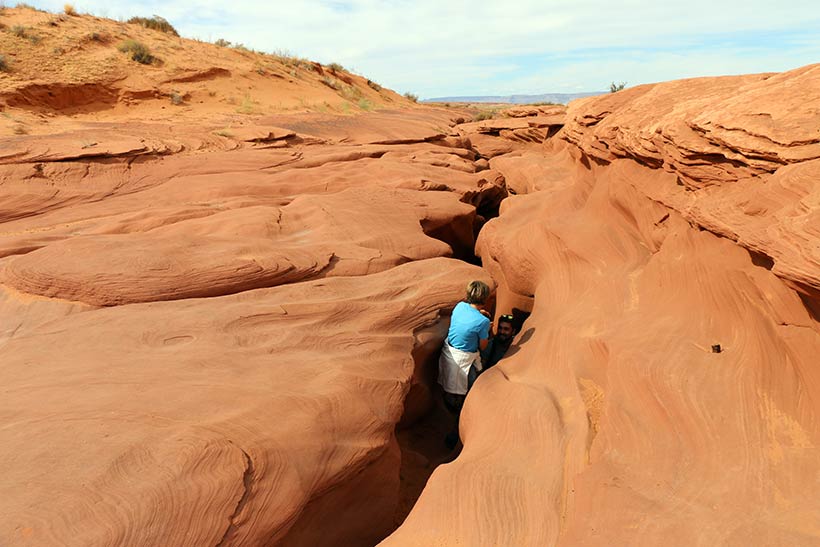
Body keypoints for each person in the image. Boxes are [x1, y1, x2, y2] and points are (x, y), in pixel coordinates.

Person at [438, 280, 491, 449]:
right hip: (464, 361)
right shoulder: (482, 322)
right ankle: (460, 428)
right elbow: (482, 346)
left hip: (449, 354)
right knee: (475, 394)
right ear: (485, 298)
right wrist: (487, 329)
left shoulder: (459, 307)